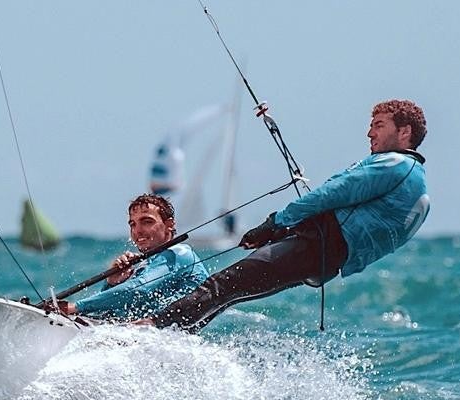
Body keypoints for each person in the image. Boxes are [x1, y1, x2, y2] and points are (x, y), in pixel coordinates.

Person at [146, 99, 430, 331]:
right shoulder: (419, 189)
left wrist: (275, 222)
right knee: (229, 293)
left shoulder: (394, 164)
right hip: (325, 262)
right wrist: (287, 231)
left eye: (379, 126)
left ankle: (148, 328)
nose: (370, 134)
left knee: (221, 285)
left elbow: (331, 194)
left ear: (404, 132)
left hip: (313, 247)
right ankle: (174, 335)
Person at [54, 194, 210, 321]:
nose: (138, 231)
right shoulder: (149, 264)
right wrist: (112, 282)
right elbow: (117, 307)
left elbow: (138, 290)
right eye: (133, 224)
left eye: (147, 222)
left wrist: (76, 307)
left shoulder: (178, 254)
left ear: (169, 224)